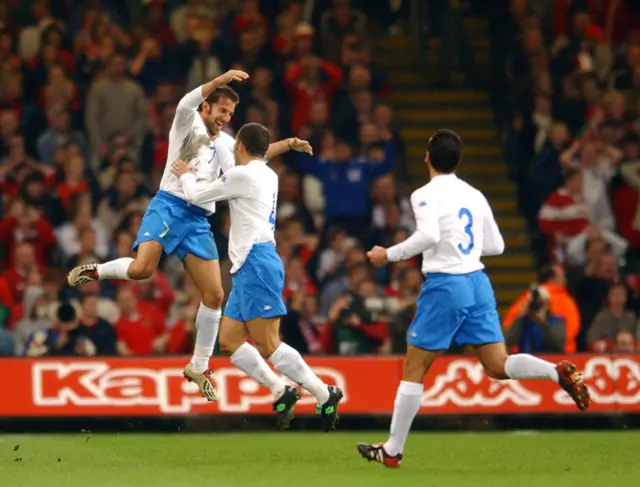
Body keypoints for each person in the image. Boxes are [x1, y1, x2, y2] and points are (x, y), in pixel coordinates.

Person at [67, 70, 312, 401]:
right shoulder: (187, 122)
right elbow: (187, 101)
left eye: (231, 114)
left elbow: (255, 157)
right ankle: (96, 270)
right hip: (169, 205)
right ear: (207, 107)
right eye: (222, 110)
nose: (226, 118)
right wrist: (221, 78)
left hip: (198, 218)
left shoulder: (226, 143)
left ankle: (198, 365)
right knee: (142, 270)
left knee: (214, 295)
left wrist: (290, 144)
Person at [357, 129, 591, 468]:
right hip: (478, 282)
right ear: (459, 160)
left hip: (447, 283)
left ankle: (393, 450)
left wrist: (388, 254)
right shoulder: (474, 194)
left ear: (427, 157)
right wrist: (461, 245)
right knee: (497, 365)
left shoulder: (424, 194)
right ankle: (556, 372)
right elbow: (497, 246)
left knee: (414, 367)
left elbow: (429, 235)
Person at [171, 123, 343, 432]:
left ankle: (324, 392)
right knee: (230, 340)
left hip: (256, 261)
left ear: (238, 146)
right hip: (249, 264)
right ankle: (282, 390)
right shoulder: (267, 174)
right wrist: (288, 143)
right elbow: (260, 154)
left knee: (269, 344)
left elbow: (196, 194)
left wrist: (183, 172)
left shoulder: (242, 175)